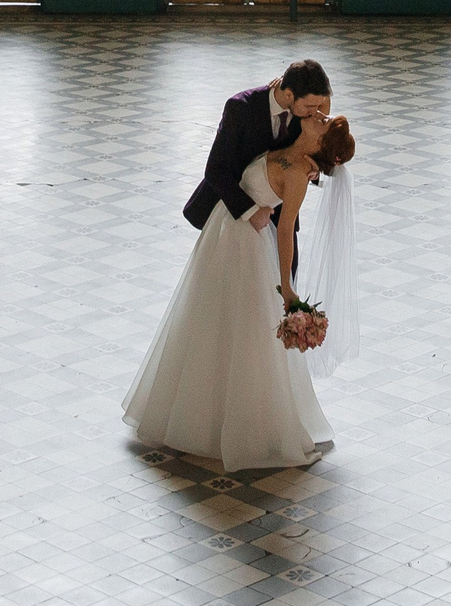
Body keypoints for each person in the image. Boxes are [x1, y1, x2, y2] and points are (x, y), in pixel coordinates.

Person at [125, 111, 359, 471]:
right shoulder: (291, 147)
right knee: (206, 320)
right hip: (225, 232)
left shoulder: (297, 173)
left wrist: (287, 288)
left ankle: (239, 427)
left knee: (239, 331)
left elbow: (285, 231)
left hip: (246, 247)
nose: (320, 116)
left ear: (321, 142)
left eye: (325, 122)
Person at [181, 60, 331, 231]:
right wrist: (252, 212)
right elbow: (216, 169)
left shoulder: (305, 116)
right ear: (288, 95)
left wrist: (315, 169)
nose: (315, 112)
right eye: (310, 106)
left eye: (318, 106)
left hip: (279, 215)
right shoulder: (240, 108)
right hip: (234, 210)